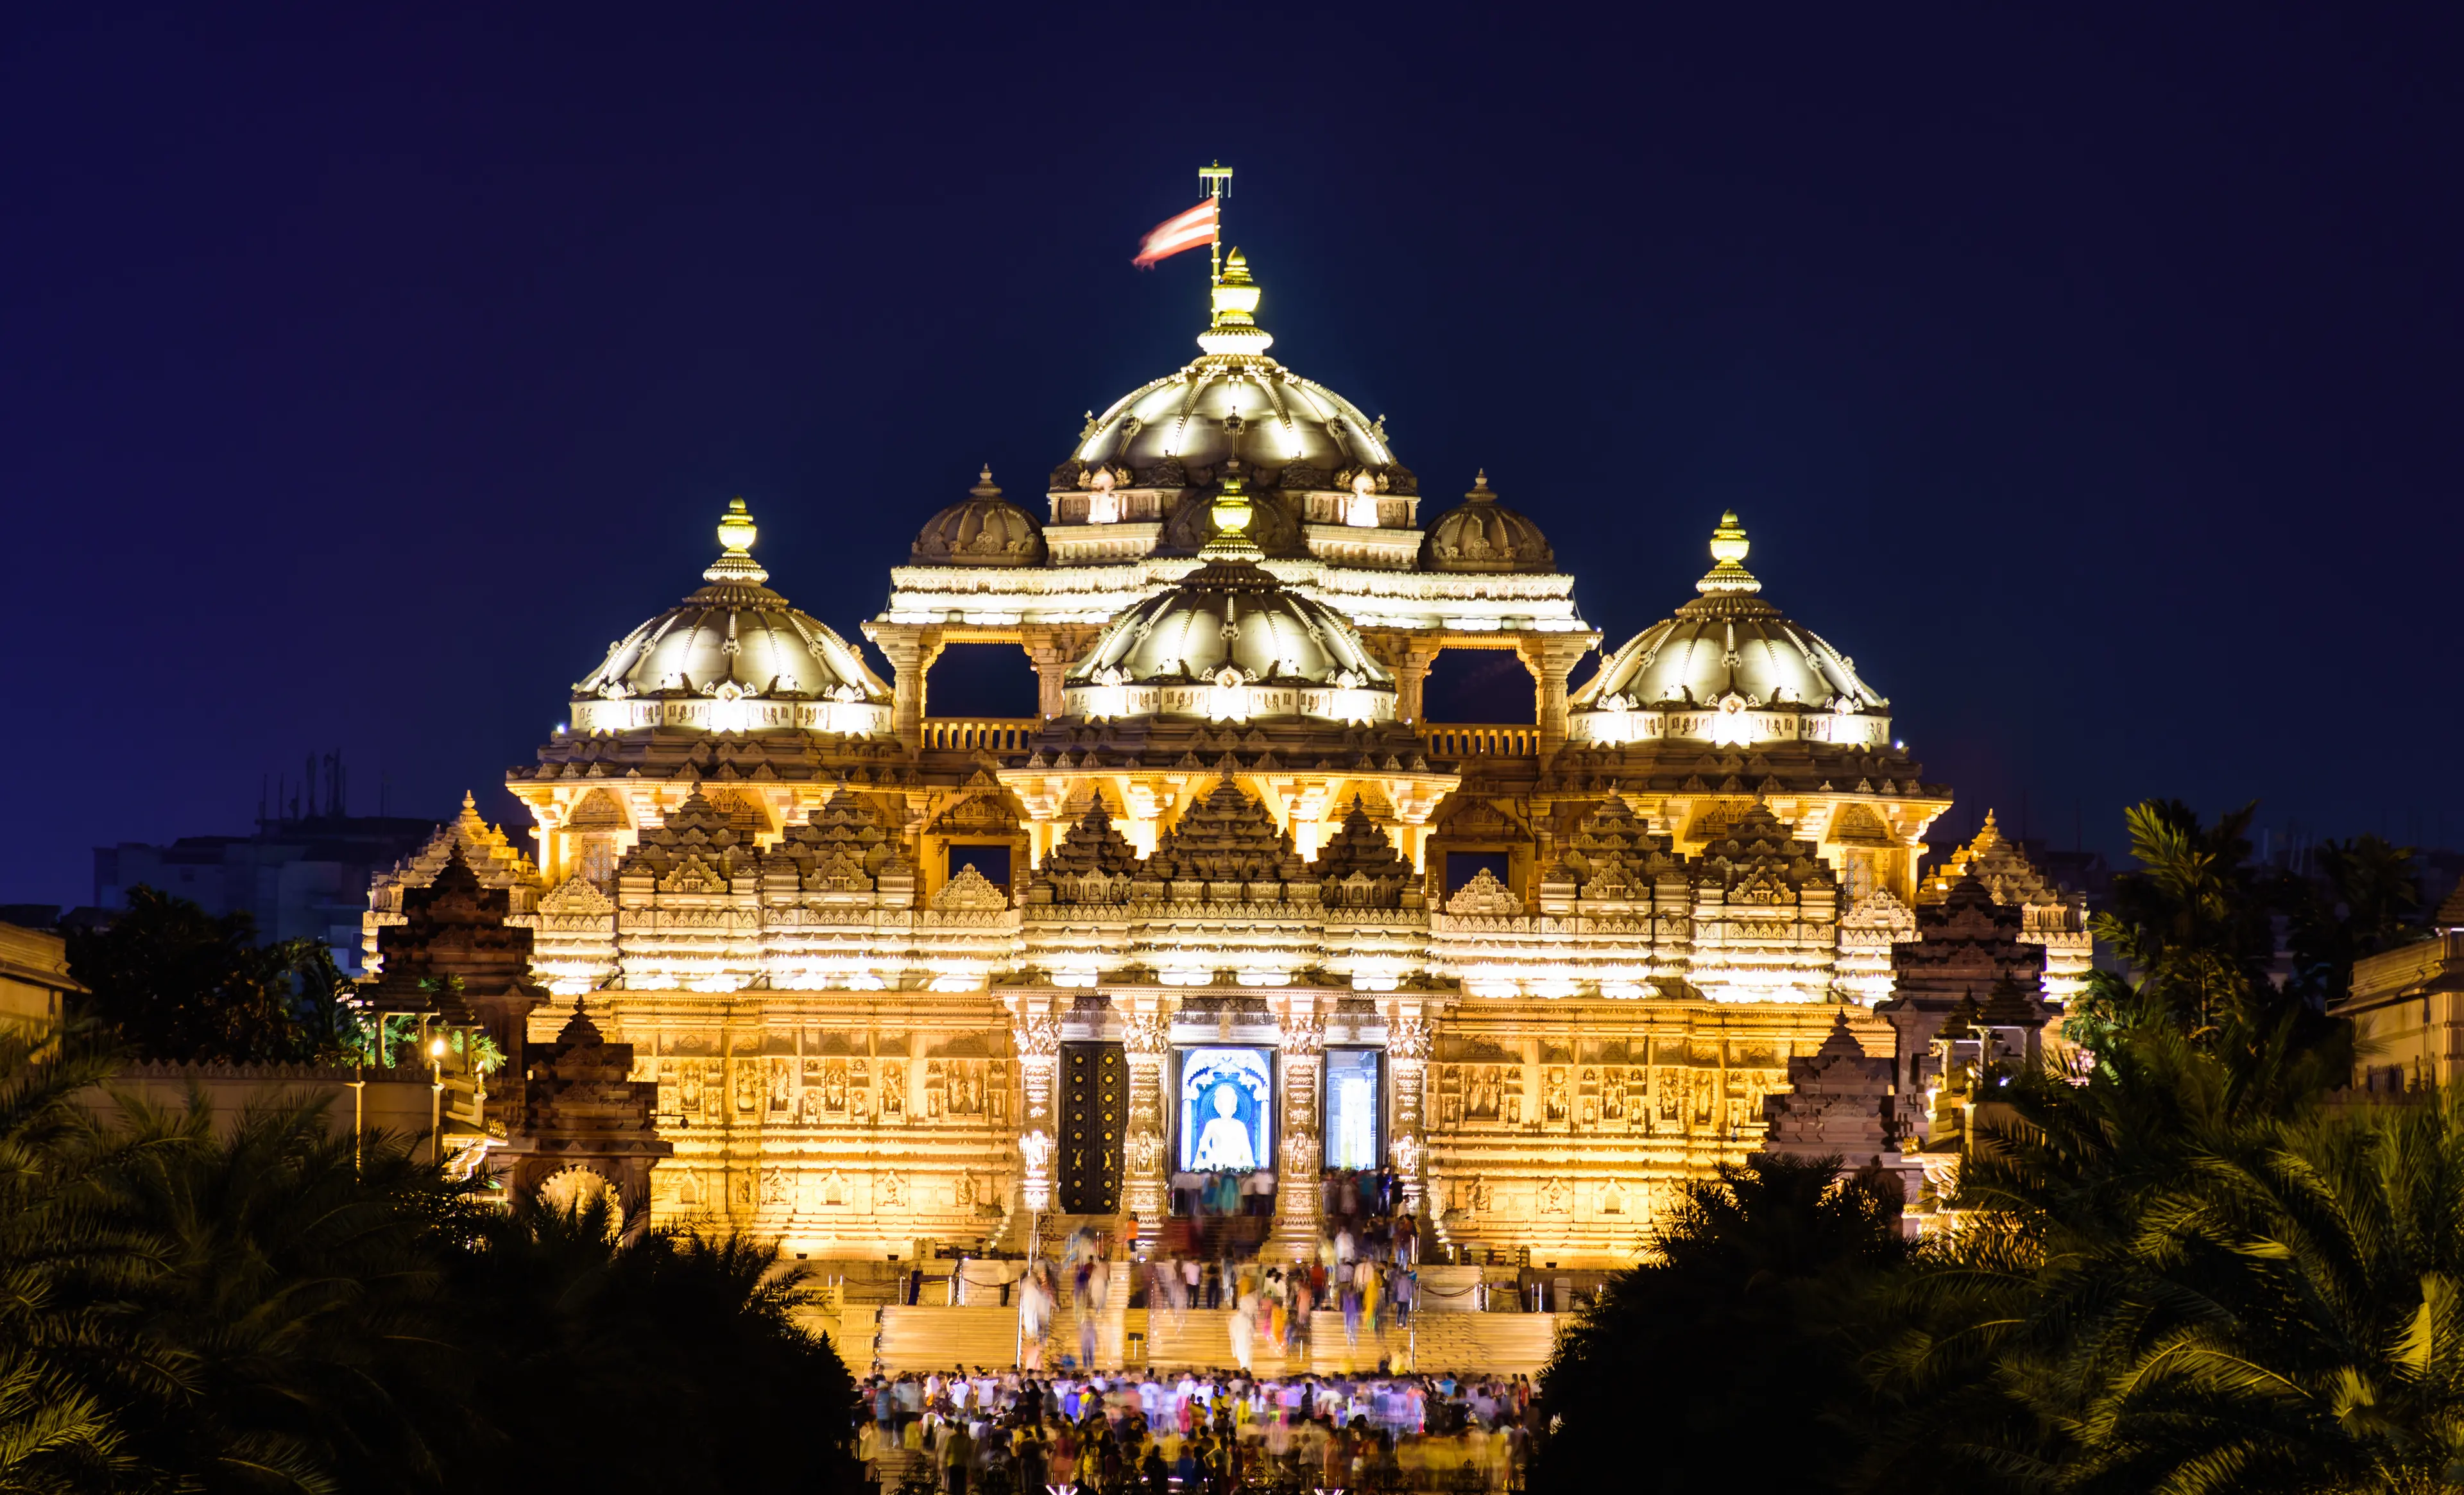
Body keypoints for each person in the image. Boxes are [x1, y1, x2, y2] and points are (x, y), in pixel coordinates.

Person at [1190, 1083, 1256, 1171]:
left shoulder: (1240, 1126)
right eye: (1222, 1104)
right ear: (1217, 1106)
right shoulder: (1212, 1124)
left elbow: (1248, 1157)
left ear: (1234, 1107)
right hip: (1215, 1166)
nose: (1225, 1108)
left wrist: (1243, 1163)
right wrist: (1205, 1150)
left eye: (1228, 1104)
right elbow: (1199, 1155)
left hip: (1235, 1165)